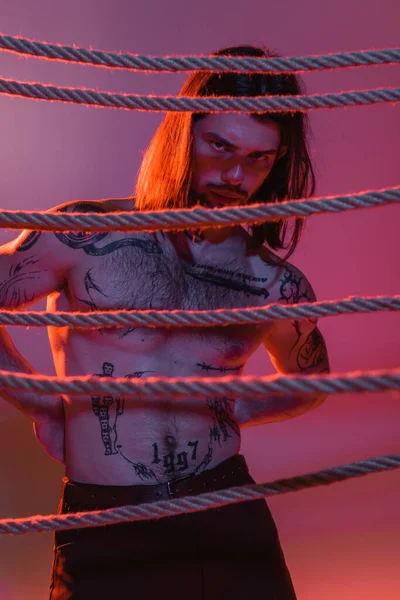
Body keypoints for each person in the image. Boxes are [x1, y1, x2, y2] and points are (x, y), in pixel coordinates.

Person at [0, 45, 330, 599]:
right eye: (220, 144)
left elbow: (313, 381)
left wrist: (241, 404)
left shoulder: (273, 282)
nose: (234, 173)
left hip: (227, 512)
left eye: (259, 158)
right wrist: (33, 397)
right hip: (106, 522)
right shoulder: (86, 237)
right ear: (184, 134)